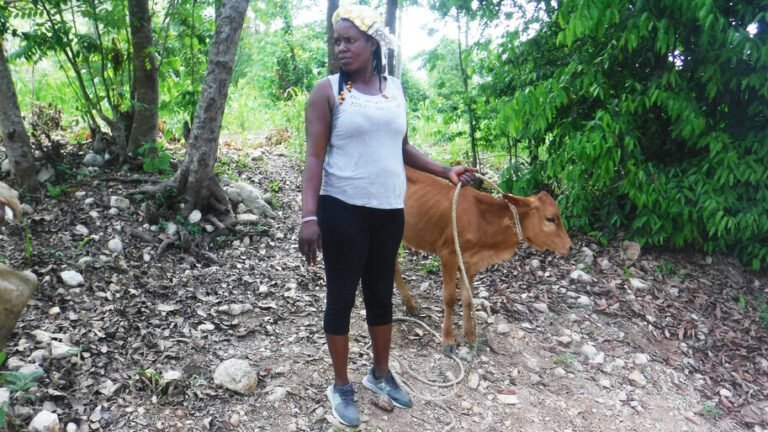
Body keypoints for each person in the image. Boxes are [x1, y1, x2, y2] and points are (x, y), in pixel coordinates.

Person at [298, 3, 476, 427]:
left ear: (372, 44)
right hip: (342, 210)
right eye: (338, 41)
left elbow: (400, 146)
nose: (342, 48)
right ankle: (341, 385)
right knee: (341, 296)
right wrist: (309, 217)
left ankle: (379, 374)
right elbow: (313, 157)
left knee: (381, 293)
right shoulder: (328, 91)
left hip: (388, 210)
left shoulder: (393, 88)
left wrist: (443, 170)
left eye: (350, 40)